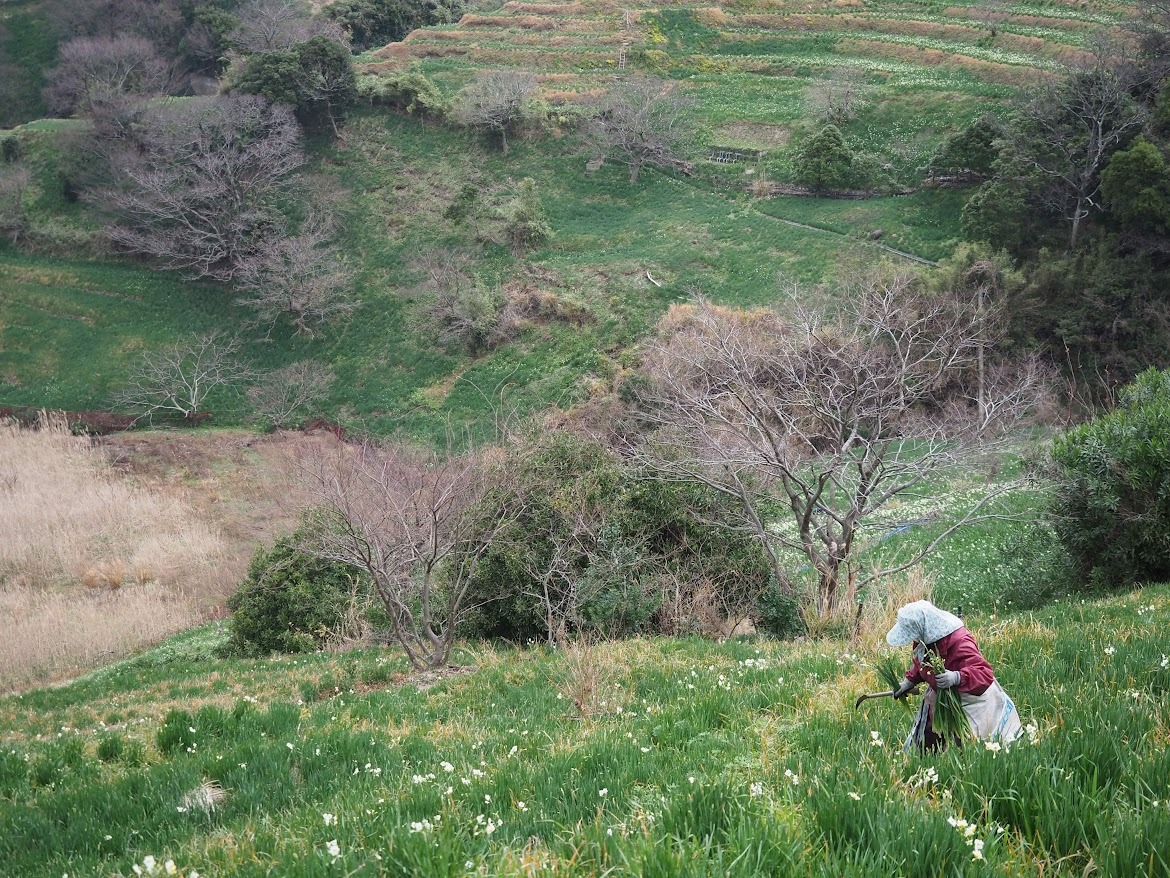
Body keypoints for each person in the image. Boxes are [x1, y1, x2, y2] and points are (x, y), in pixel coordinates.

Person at [887, 600, 1021, 753]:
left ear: (922, 626)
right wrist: (909, 681)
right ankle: (927, 764)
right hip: (942, 696)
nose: (912, 639)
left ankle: (965, 770)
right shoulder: (924, 638)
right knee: (929, 736)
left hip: (970, 696)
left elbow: (984, 673)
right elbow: (924, 661)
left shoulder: (960, 641)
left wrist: (957, 677)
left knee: (969, 743)